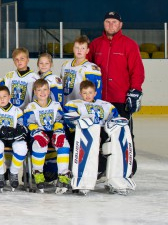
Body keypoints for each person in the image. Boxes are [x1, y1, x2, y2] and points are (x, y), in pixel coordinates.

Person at [88, 11, 145, 175]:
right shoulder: (96, 44)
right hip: (100, 100)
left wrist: (135, 90)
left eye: (114, 22)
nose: (111, 25)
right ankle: (101, 168)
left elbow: (137, 71)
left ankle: (127, 167)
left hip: (120, 99)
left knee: (124, 134)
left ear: (120, 25)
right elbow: (86, 67)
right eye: (108, 22)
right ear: (104, 24)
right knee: (100, 134)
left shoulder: (129, 44)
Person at [23, 79, 69, 194]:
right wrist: (37, 133)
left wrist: (58, 132)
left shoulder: (56, 105)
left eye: (45, 90)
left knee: (64, 145)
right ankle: (38, 172)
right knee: (40, 145)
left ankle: (63, 175)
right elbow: (29, 122)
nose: (42, 93)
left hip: (53, 132)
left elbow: (59, 120)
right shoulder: (31, 106)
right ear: (35, 92)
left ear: (49, 91)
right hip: (38, 134)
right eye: (39, 90)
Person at [61, 35, 103, 107]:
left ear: (87, 50)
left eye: (83, 48)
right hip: (66, 105)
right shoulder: (65, 65)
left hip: (82, 107)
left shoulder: (91, 68)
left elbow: (96, 92)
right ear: (73, 48)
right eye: (77, 47)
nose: (79, 50)